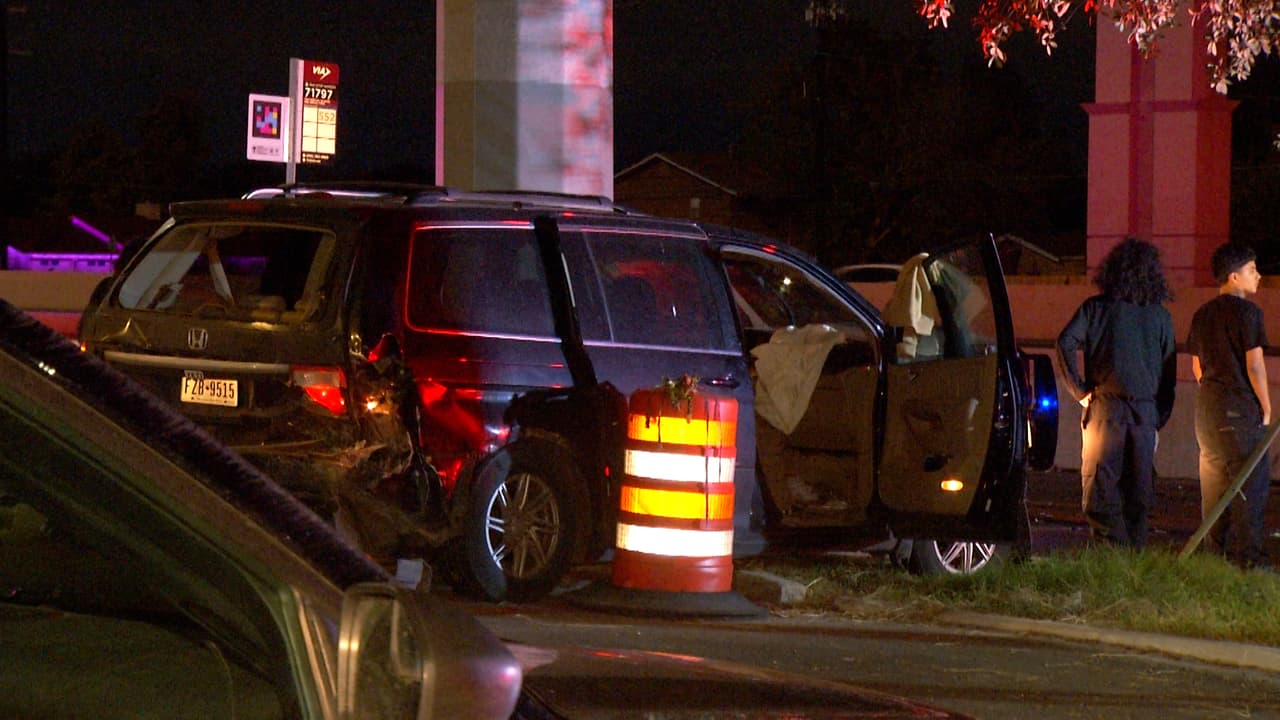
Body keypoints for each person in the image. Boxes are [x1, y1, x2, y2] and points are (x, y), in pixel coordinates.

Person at [1057, 238, 1176, 549]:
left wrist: (1079, 390)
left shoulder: (1095, 309)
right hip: (1145, 413)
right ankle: (1133, 557)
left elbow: (1065, 342)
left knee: (1100, 490)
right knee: (1139, 494)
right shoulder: (1161, 317)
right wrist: (1157, 418)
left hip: (1105, 408)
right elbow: (1169, 376)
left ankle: (1113, 554)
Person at [1187, 243, 1272, 569]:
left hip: (1207, 413)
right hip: (1240, 413)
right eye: (1252, 270)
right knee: (1250, 488)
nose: (1258, 275)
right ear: (1234, 276)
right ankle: (1249, 563)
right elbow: (1255, 366)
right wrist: (1265, 407)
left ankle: (1212, 562)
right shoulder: (1249, 314)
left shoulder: (1202, 314)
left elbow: (1197, 367)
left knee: (1214, 490)